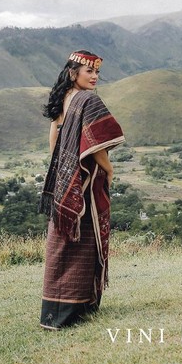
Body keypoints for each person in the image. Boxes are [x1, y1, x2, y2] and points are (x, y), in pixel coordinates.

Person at [39, 50, 124, 329]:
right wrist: (109, 169)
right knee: (85, 241)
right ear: (74, 72)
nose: (95, 77)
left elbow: (55, 137)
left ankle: (58, 308)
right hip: (85, 179)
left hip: (66, 179)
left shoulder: (64, 99)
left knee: (62, 242)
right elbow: (96, 142)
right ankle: (79, 306)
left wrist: (62, 169)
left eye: (97, 72)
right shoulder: (87, 100)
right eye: (89, 71)